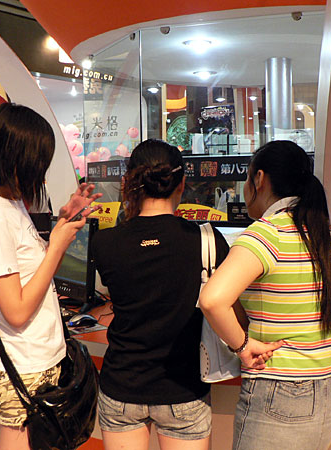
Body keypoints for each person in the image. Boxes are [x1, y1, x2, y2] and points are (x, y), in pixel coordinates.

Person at [0, 102, 100, 450]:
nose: (41, 173)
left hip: (35, 358)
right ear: (15, 160)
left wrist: (63, 223)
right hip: (23, 365)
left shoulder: (9, 204)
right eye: (38, 163)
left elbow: (29, 273)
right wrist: (57, 246)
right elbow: (16, 310)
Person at [199, 140, 331, 450]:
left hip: (280, 389)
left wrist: (243, 347)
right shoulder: (328, 233)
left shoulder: (267, 233)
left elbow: (212, 300)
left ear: (259, 179)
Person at [91, 139, 230, 450]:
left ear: (129, 182)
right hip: (183, 389)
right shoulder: (207, 240)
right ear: (182, 183)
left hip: (121, 386)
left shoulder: (105, 243)